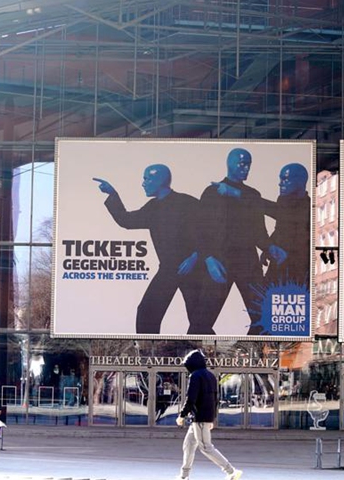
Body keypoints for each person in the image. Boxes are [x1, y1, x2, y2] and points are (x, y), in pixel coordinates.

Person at [94, 164, 203, 334]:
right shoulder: (152, 207)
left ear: (159, 181)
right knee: (147, 312)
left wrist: (195, 257)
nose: (143, 183)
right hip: (168, 269)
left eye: (147, 178)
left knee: (199, 320)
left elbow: (210, 232)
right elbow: (127, 221)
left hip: (194, 269)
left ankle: (207, 355)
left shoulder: (188, 203)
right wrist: (113, 194)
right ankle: (147, 354)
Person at [195, 148, 285, 334]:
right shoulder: (212, 193)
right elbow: (199, 230)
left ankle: (249, 355)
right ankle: (198, 358)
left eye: (248, 165)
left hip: (248, 261)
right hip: (220, 260)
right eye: (241, 163)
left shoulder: (252, 195)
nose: (246, 168)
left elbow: (259, 231)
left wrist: (269, 247)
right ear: (229, 163)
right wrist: (209, 259)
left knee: (263, 317)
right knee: (202, 320)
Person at [175, 349, 242, 480]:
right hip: (202, 418)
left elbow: (191, 398)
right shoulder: (211, 376)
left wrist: (181, 415)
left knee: (206, 447)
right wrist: (212, 418)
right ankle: (184, 476)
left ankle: (231, 471)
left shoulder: (195, 376)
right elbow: (215, 399)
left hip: (199, 418)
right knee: (188, 445)